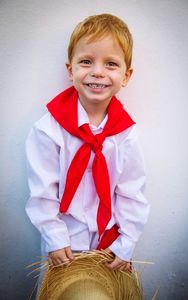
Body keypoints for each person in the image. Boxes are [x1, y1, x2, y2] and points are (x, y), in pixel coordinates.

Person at [25, 13, 150, 278]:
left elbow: (132, 194)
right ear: (70, 70)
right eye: (86, 61)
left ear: (126, 76)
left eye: (111, 64)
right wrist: (54, 237)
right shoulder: (48, 130)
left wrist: (126, 244)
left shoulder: (126, 135)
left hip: (110, 247)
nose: (97, 72)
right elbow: (42, 192)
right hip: (64, 245)